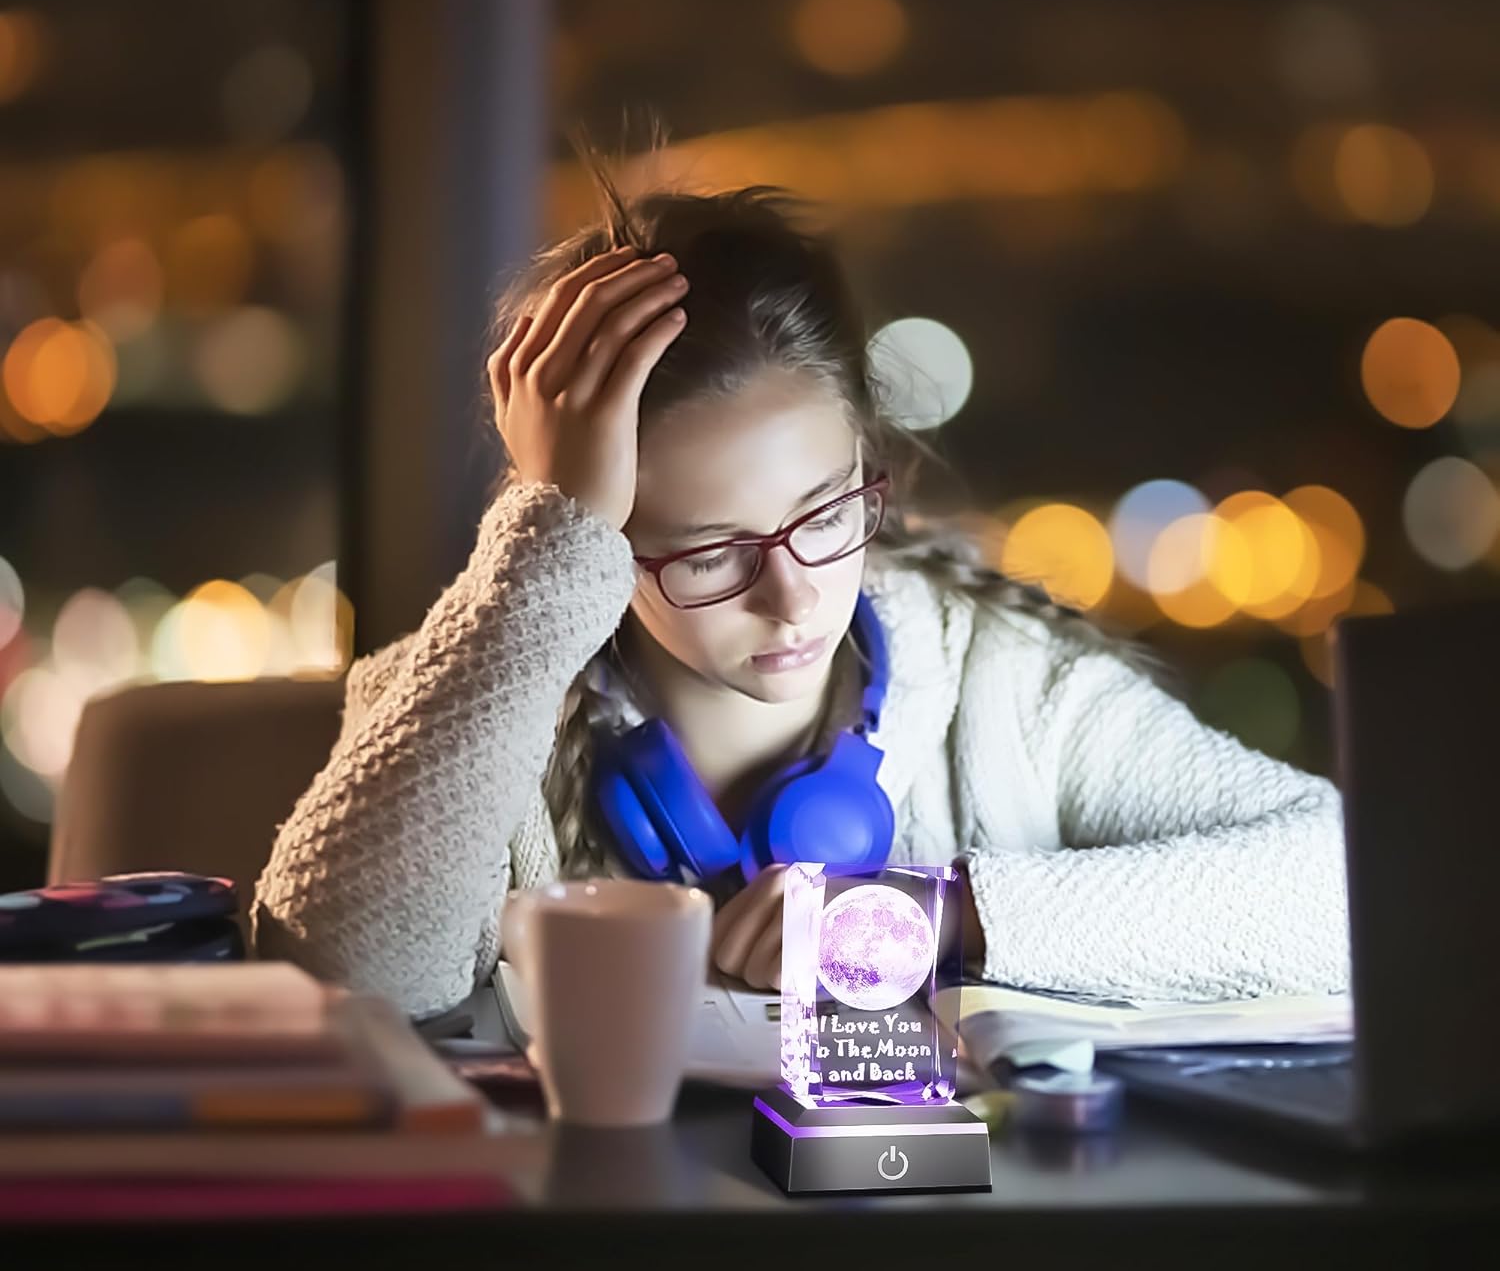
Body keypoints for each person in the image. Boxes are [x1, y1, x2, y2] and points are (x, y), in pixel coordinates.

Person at [251, 162, 1351, 1023]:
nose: (790, 597)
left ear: (872, 466)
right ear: (599, 547)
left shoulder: (1011, 685)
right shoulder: (467, 700)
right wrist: (548, 538)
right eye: (709, 553)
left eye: (826, 516)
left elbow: (1348, 882)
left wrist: (931, 916)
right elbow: (340, 969)